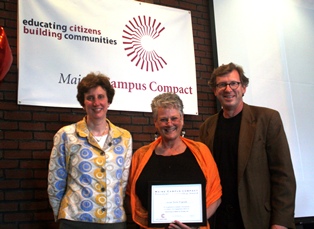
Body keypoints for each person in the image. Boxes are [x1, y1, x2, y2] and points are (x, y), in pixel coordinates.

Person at [199, 62, 296, 229]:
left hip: (257, 220)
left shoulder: (267, 119)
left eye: (234, 83)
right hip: (218, 220)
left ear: (243, 87)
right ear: (215, 91)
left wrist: (280, 222)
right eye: (221, 85)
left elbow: (283, 175)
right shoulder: (207, 127)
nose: (228, 89)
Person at [47, 72, 132, 229]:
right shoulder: (66, 135)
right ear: (83, 102)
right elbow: (55, 181)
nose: (96, 102)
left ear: (108, 101)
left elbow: (123, 182)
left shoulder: (124, 137)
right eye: (90, 97)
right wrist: (61, 215)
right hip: (75, 220)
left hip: (113, 221)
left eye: (101, 97)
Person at [126, 92, 222, 229]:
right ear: (155, 123)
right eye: (163, 119)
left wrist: (193, 224)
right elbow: (132, 197)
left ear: (182, 119)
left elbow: (216, 196)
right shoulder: (140, 156)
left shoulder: (201, 152)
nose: (169, 123)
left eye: (174, 118)